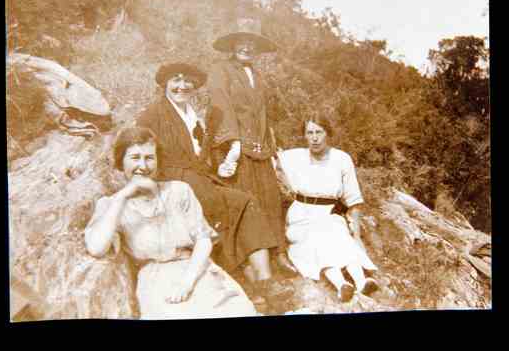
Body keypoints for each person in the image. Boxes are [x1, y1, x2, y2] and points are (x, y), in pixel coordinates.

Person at [135, 63, 292, 310]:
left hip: (199, 179)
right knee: (216, 209)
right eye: (176, 81)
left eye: (187, 82)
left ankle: (265, 282)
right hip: (173, 184)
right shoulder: (152, 114)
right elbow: (141, 154)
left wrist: (217, 170)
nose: (182, 86)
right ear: (165, 83)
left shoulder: (192, 114)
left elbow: (199, 157)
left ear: (195, 87)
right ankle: (249, 287)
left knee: (246, 201)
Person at [84, 127, 257, 319]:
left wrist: (187, 281)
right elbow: (96, 248)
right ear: (120, 161)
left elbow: (203, 240)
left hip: (196, 269)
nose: (143, 165)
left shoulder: (178, 191)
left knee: (239, 311)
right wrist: (122, 196)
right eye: (135, 157)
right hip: (157, 280)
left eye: (150, 157)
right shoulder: (110, 205)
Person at [207, 18, 297, 274]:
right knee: (246, 203)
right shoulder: (220, 70)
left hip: (261, 148)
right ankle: (248, 262)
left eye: (251, 42)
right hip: (235, 149)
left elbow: (265, 114)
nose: (246, 47)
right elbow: (221, 105)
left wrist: (272, 147)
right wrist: (233, 145)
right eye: (241, 41)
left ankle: (279, 252)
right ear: (233, 44)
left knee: (269, 200)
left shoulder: (258, 75)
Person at [275, 112, 379, 302]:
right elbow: (272, 156)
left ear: (328, 133)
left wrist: (357, 236)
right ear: (305, 135)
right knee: (316, 237)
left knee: (339, 234)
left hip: (329, 213)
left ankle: (361, 281)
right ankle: (341, 284)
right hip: (301, 215)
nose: (314, 138)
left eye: (319, 132)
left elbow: (354, 201)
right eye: (309, 132)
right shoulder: (294, 157)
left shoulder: (341, 159)